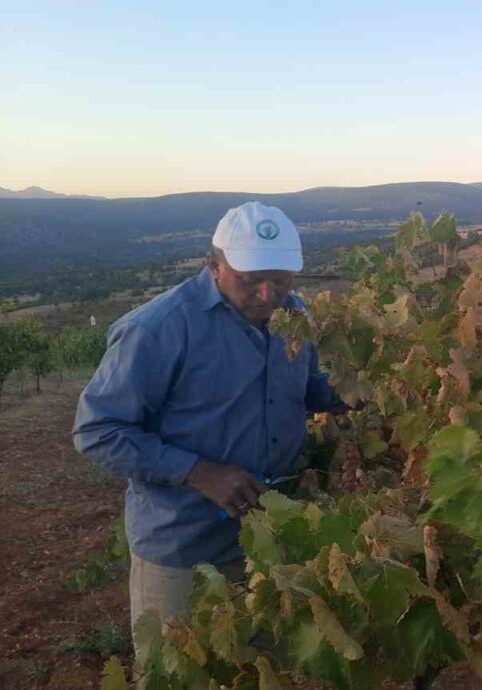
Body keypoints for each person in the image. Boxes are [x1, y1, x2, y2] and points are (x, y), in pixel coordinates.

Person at [73, 201, 347, 631]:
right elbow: (98, 431)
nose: (267, 294)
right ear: (213, 264)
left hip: (275, 536)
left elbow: (311, 392)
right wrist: (200, 472)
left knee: (263, 668)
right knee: (183, 671)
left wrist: (368, 390)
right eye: (251, 280)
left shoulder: (296, 315)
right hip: (184, 547)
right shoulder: (157, 328)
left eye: (281, 280)